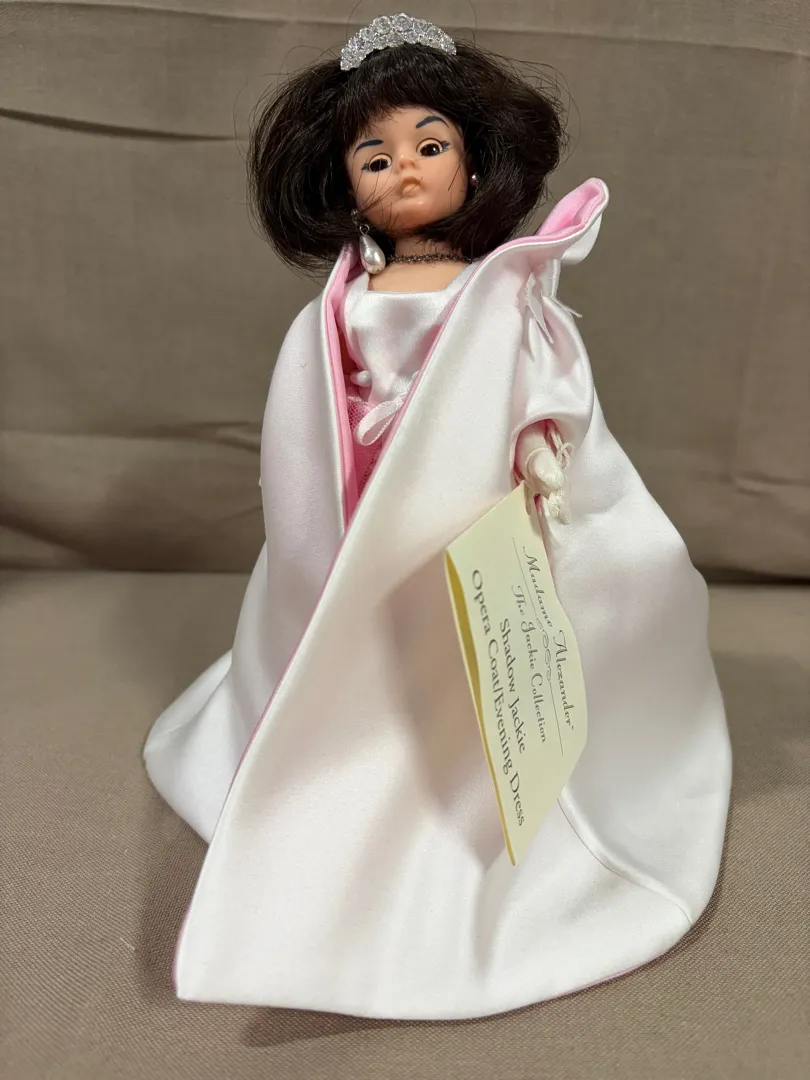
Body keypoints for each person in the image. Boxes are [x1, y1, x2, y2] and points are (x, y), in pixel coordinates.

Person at [144, 14, 731, 1019]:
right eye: (376, 158)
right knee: (346, 632)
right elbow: (320, 388)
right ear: (344, 184)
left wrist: (538, 453)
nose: (405, 170)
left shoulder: (501, 293)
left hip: (460, 500)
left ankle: (435, 791)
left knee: (456, 654)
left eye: (429, 146)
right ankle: (326, 761)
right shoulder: (346, 298)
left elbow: (544, 385)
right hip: (361, 494)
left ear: (473, 160)